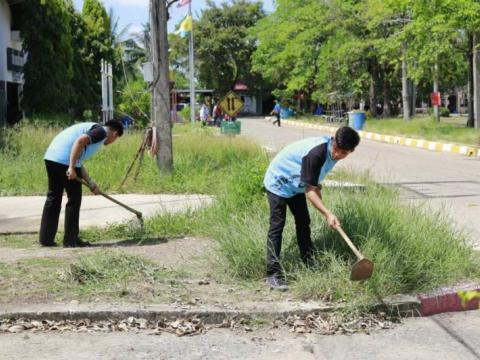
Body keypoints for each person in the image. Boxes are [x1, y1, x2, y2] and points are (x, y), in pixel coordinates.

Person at [263, 126, 360, 291]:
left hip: (296, 185)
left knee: (303, 222)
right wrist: (328, 213)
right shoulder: (317, 153)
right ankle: (272, 274)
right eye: (336, 150)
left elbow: (313, 180)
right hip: (279, 181)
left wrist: (317, 186)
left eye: (344, 153)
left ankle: (309, 262)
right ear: (333, 140)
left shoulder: (332, 153)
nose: (337, 155)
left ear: (350, 151)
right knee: (277, 226)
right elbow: (310, 191)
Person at [39, 120, 124, 248]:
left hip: (52, 157)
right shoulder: (101, 132)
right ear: (115, 133)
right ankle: (70, 240)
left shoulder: (95, 130)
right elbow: (80, 141)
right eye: (116, 139)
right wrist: (71, 167)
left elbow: (78, 160)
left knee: (54, 197)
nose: (112, 142)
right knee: (74, 199)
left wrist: (90, 183)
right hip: (64, 161)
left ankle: (46, 239)